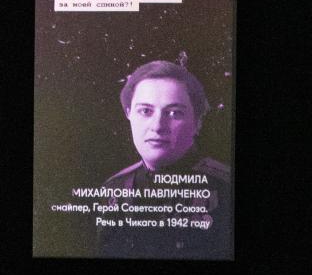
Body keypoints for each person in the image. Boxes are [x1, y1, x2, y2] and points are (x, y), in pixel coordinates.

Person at [98, 60, 232, 259]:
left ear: (198, 121)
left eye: (174, 113)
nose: (157, 126)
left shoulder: (226, 186)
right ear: (128, 114)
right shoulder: (113, 188)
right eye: (145, 111)